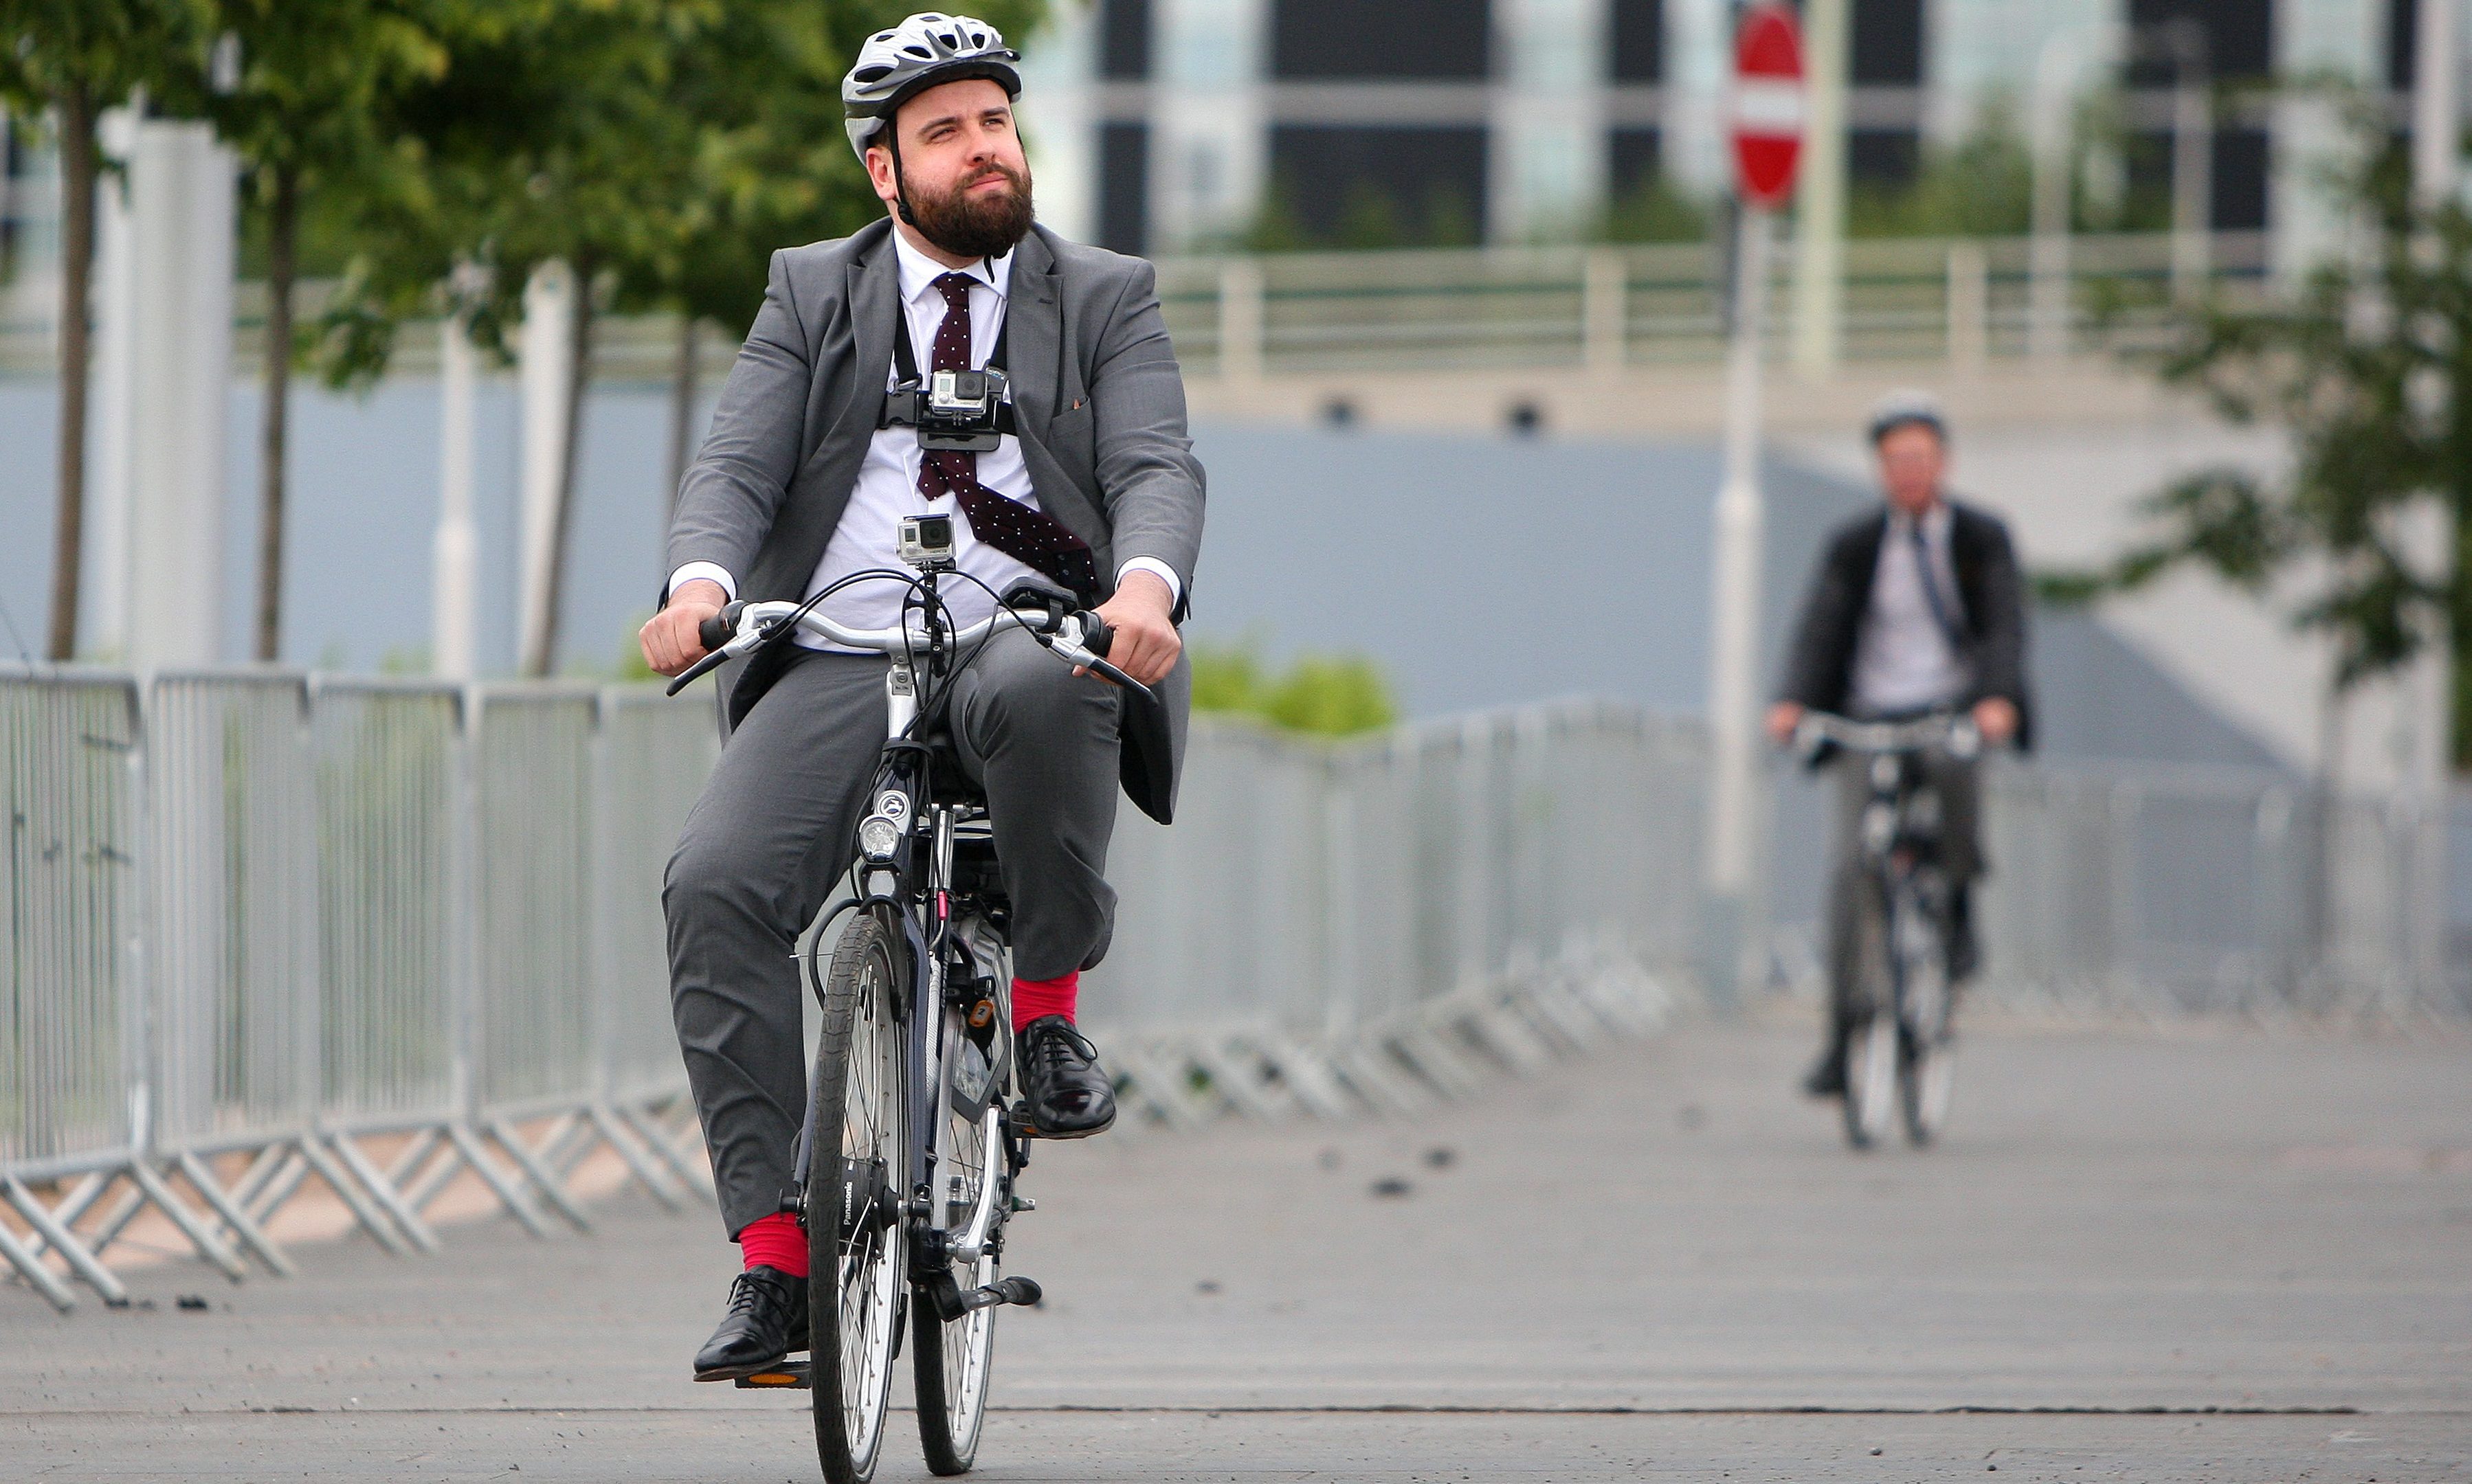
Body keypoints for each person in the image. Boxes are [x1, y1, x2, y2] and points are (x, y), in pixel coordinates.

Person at [638, 12, 1204, 1382]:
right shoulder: (808, 292)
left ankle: (1050, 1017)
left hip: (1031, 627)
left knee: (1051, 678)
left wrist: (1141, 589)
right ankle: (776, 1266)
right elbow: (739, 461)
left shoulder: (1106, 293)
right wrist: (700, 582)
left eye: (995, 122)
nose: (981, 150)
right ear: (884, 172)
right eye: (943, 132)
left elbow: (1154, 464)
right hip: (842, 642)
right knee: (712, 885)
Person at [1766, 391, 2029, 1100]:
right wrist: (1792, 701)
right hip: (1869, 714)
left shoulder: (1979, 539)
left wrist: (1998, 700)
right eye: (1894, 460)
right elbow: (1820, 628)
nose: (1907, 471)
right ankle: (1841, 1036)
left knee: (1955, 782)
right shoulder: (1854, 545)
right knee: (1852, 868)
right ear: (1879, 468)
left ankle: (1959, 911)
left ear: (1942, 463)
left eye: (1919, 457)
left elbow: (2004, 627)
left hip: (1949, 709)